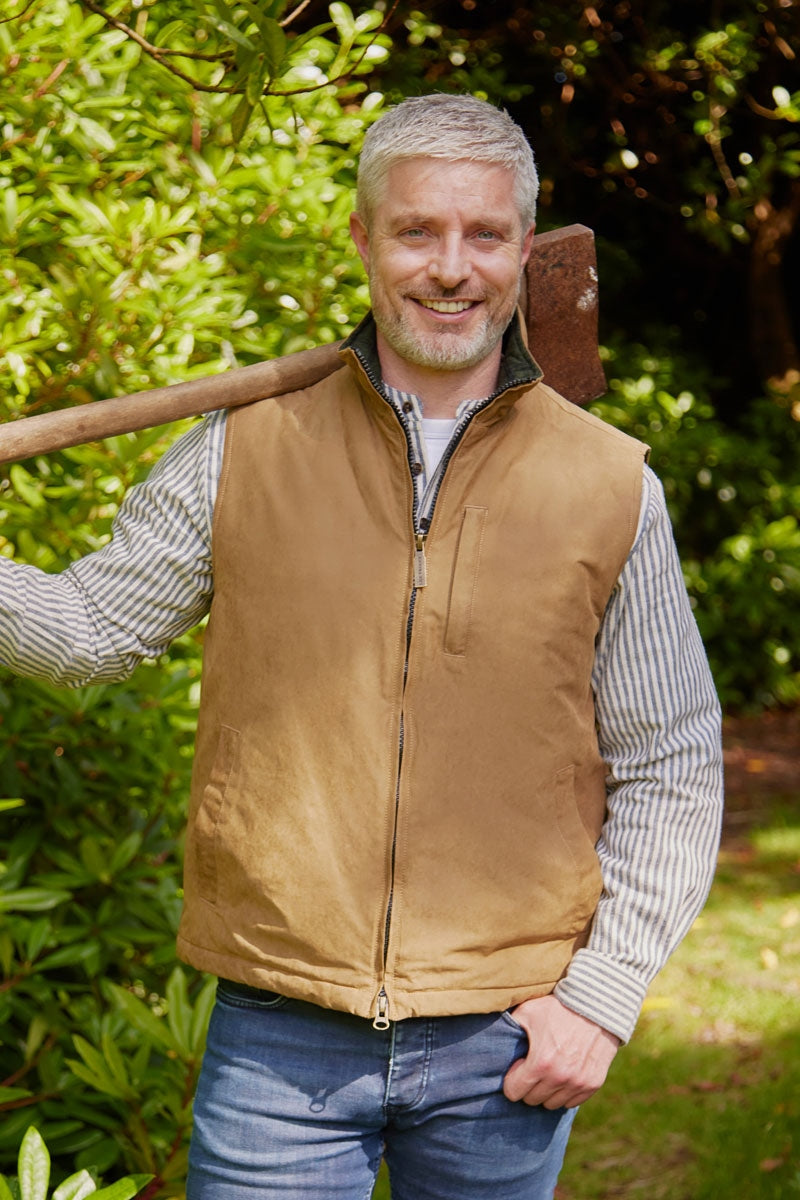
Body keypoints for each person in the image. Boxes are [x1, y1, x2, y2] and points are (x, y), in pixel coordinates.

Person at [0, 94, 723, 1199]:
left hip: (506, 1042)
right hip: (279, 1038)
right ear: (361, 240)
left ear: (523, 250)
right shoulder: (242, 448)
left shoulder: (608, 483)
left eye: (482, 235)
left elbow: (670, 761)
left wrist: (600, 996)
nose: (450, 267)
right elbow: (92, 631)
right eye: (415, 231)